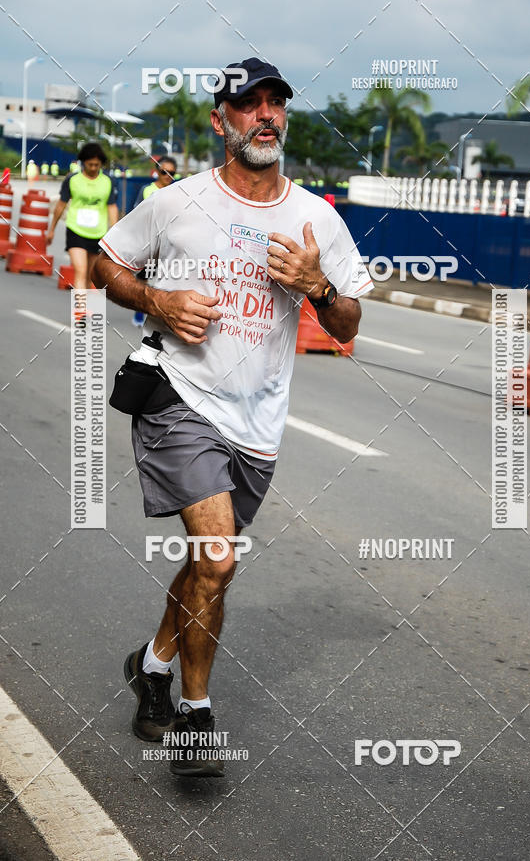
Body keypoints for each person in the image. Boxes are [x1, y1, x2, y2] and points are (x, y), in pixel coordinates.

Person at [93, 56, 373, 778]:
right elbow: (106, 263)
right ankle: (196, 717)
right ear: (222, 121)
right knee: (218, 557)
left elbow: (347, 325)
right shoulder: (179, 202)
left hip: (257, 424)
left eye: (276, 103)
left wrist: (318, 286)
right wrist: (158, 302)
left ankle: (152, 663)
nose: (266, 115)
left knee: (205, 566)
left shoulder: (316, 217)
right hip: (178, 398)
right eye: (249, 105)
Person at [48, 143, 118, 291]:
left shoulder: (107, 182)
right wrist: (52, 229)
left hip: (98, 233)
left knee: (92, 276)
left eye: (96, 165)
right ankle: (80, 312)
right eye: (90, 164)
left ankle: (91, 311)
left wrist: (114, 232)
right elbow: (61, 204)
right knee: (80, 270)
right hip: (76, 230)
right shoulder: (73, 180)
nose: (93, 168)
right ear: (83, 162)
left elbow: (111, 206)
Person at [131, 156, 178, 326]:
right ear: (157, 172)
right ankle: (139, 311)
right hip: (149, 243)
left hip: (169, 244)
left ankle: (157, 314)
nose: (167, 176)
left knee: (163, 279)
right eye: (164, 172)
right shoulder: (147, 190)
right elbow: (137, 215)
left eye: (171, 173)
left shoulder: (178, 192)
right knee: (144, 279)